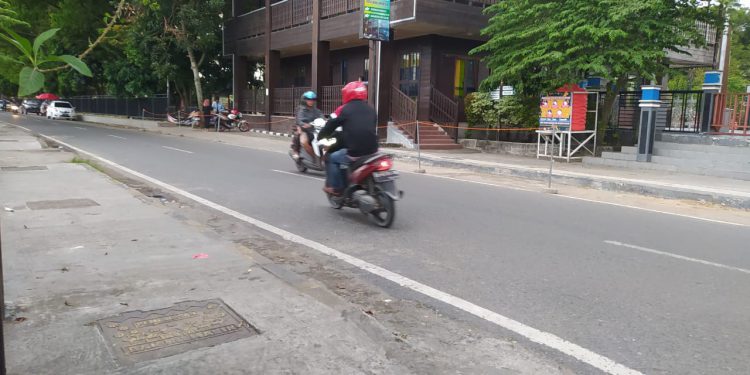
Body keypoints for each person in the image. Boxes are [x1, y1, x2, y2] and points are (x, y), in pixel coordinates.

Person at [318, 81, 378, 195]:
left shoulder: (344, 109)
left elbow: (331, 125)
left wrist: (321, 136)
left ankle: (337, 188)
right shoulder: (371, 109)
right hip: (373, 151)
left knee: (333, 157)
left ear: (347, 94)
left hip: (354, 151)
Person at [291, 91, 322, 160]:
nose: (311, 101)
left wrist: (326, 120)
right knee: (303, 141)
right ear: (305, 100)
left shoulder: (316, 110)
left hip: (315, 130)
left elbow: (321, 117)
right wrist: (304, 125)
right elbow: (299, 120)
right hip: (304, 130)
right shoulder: (301, 110)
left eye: (312, 100)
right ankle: (296, 151)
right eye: (309, 100)